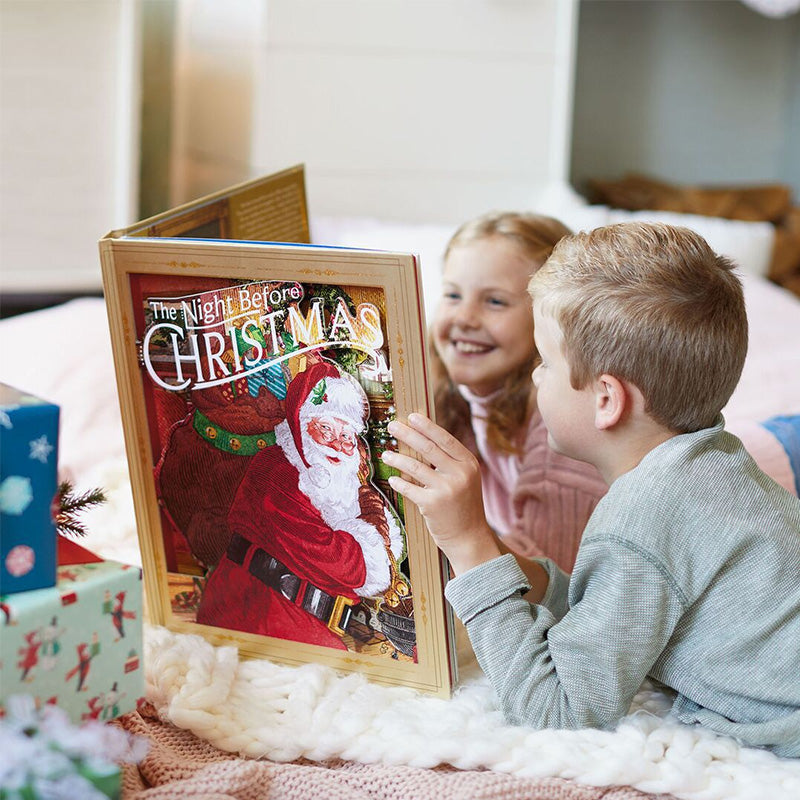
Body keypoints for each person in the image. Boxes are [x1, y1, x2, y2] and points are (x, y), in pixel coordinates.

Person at [383, 222, 800, 757]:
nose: (534, 378)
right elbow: (611, 603)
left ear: (607, 400)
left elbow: (558, 713)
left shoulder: (641, 517)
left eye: (545, 362)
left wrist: (470, 547)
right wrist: (516, 571)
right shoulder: (712, 460)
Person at [430, 211, 607, 572]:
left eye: (494, 301)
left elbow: (557, 587)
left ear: (551, 320)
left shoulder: (563, 435)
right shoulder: (454, 398)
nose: (464, 317)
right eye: (452, 295)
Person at [196, 358, 407, 652]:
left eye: (346, 436)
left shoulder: (340, 482)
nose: (337, 444)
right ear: (301, 424)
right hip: (254, 614)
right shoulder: (276, 470)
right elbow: (340, 562)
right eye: (325, 428)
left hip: (308, 621)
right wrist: (371, 527)